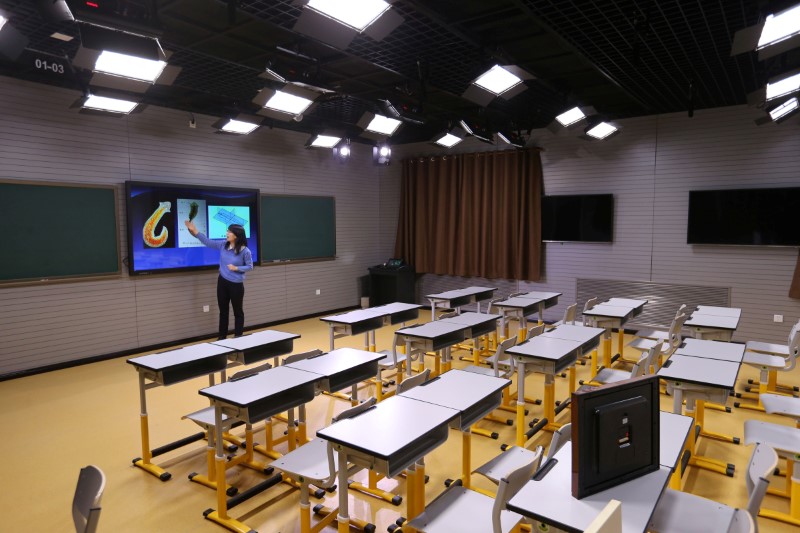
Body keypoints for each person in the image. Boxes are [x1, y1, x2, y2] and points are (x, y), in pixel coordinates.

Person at [184, 220, 253, 339]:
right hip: (222, 282)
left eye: (229, 231)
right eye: (227, 231)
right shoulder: (223, 245)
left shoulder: (245, 251)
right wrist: (195, 231)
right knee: (223, 311)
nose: (227, 233)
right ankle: (222, 338)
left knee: (238, 312)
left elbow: (250, 266)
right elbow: (207, 242)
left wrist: (236, 268)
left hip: (236, 285)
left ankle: (238, 337)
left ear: (236, 235)